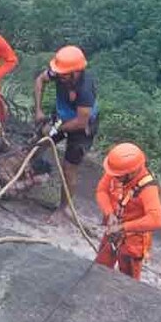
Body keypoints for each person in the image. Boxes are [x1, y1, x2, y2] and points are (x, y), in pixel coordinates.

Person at [33, 45, 97, 222]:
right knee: (39, 142)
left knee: (69, 168)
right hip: (62, 115)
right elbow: (40, 80)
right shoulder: (58, 73)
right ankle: (25, 174)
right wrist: (38, 110)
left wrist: (56, 129)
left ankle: (63, 208)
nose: (59, 76)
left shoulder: (85, 89)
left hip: (83, 127)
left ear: (75, 72)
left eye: (63, 73)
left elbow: (80, 122)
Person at [95, 143, 161, 280]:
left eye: (118, 176)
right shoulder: (118, 172)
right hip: (113, 230)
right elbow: (101, 191)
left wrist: (123, 227)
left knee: (128, 280)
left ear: (131, 172)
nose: (113, 177)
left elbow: (157, 220)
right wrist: (109, 213)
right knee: (100, 268)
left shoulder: (148, 189)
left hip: (133, 241)